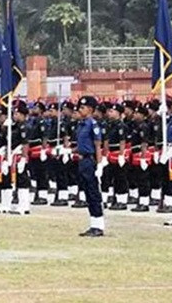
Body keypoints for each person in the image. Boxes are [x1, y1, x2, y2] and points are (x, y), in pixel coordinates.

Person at [75, 96, 105, 237]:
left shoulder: (93, 125)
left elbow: (98, 146)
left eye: (83, 107)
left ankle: (98, 226)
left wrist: (99, 165)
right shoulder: (81, 124)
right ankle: (93, 224)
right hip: (82, 161)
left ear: (90, 109)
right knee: (87, 192)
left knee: (93, 193)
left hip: (90, 161)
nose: (80, 110)